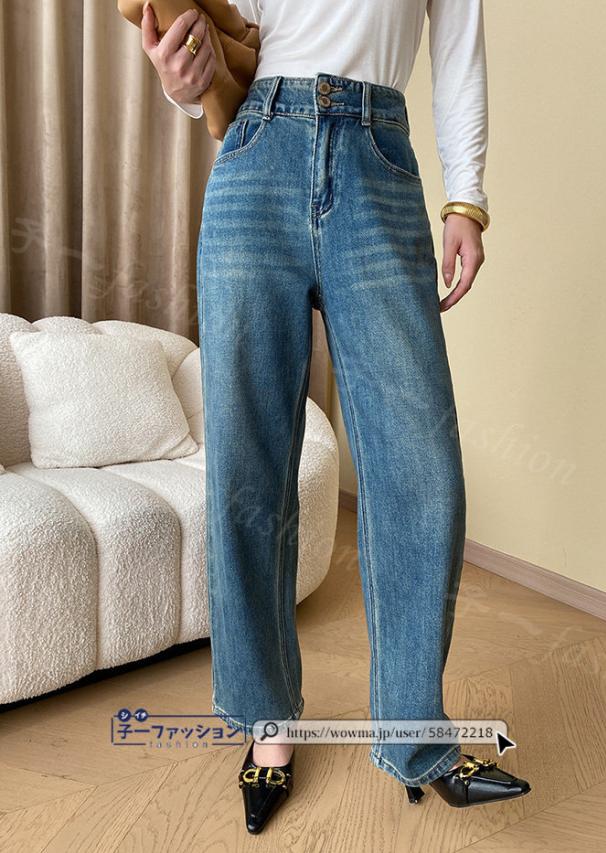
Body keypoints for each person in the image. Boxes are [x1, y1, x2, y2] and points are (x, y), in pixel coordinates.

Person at [138, 0, 531, 834]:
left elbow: (459, 53)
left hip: (376, 159)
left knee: (422, 469)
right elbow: (232, 36)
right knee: (247, 465)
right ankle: (267, 724)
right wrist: (179, 83)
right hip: (258, 151)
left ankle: (414, 736)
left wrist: (467, 199)